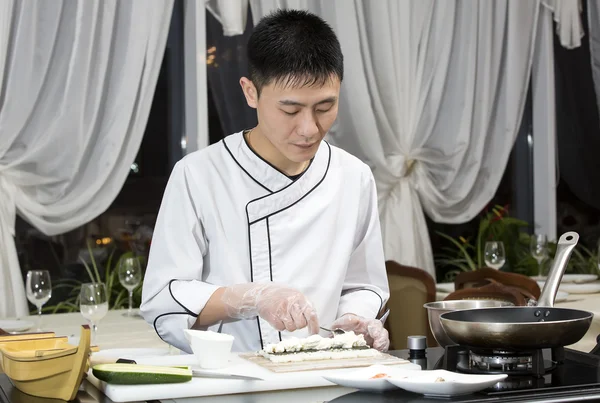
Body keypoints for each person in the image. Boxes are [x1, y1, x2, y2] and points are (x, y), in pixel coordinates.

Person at [140, 9, 390, 354]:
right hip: (233, 382)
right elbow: (163, 301)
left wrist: (356, 319)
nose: (309, 128)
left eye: (324, 107)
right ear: (250, 92)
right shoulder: (199, 175)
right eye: (290, 110)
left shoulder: (353, 176)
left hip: (327, 377)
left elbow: (364, 284)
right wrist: (250, 298)